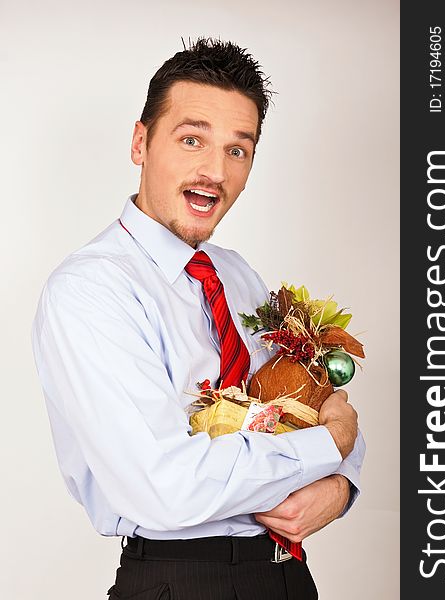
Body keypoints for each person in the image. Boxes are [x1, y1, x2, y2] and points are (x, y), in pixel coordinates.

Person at [31, 37, 365, 600]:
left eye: (239, 150)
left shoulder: (236, 277)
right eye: (192, 140)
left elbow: (309, 409)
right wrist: (332, 446)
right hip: (181, 578)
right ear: (140, 142)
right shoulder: (92, 289)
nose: (215, 171)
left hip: (283, 573)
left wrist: (341, 485)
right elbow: (168, 486)